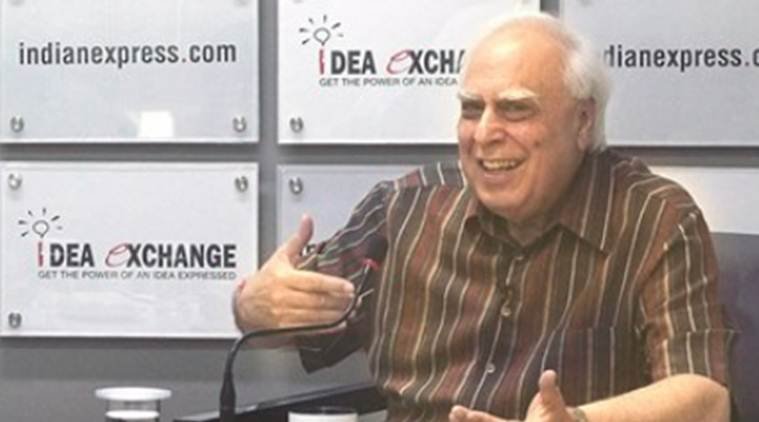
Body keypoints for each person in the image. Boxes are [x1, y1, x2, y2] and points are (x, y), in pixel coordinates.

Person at [234, 12, 734, 422]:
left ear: (582, 121)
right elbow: (291, 315)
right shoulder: (404, 208)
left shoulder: (653, 217)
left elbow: (705, 398)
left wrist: (578, 420)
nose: (484, 133)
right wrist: (253, 305)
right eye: (472, 109)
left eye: (516, 110)